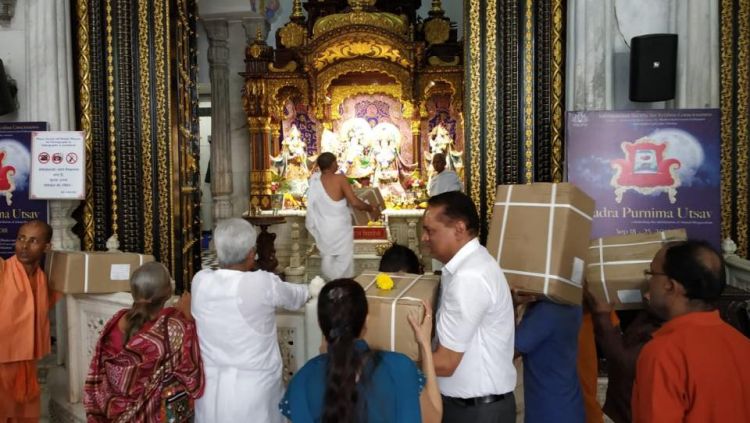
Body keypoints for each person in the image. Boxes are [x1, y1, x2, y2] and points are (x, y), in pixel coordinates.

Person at [191, 218, 309, 423]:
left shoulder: (200, 281)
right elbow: (296, 297)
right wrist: (313, 289)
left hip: (211, 392)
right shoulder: (261, 283)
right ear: (251, 253)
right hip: (254, 394)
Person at [280, 279, 442, 422]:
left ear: (321, 323)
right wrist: (425, 345)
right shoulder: (400, 368)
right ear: (366, 319)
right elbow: (434, 418)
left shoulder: (302, 380)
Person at [421, 191, 516, 422]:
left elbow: (445, 363)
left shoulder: (469, 277)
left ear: (459, 228)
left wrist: (387, 360)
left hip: (477, 412)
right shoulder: (472, 264)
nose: (424, 238)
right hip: (475, 407)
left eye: (430, 231)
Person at [632, 240, 750, 422]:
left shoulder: (663, 353)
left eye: (651, 273)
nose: (649, 281)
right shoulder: (743, 344)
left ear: (670, 286)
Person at [84, 262, 204, 422]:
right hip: (153, 414)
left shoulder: (116, 319)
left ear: (133, 292)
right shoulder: (173, 327)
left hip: (112, 410)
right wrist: (188, 318)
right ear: (168, 292)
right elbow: (190, 373)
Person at [0, 220, 57, 422]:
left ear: (46, 247)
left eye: (33, 241)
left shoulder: (44, 278)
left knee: (26, 412)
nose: (24, 246)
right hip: (2, 360)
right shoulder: (3, 270)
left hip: (27, 361)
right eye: (20, 239)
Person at [582, 283, 661, 423]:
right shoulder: (650, 316)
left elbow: (621, 360)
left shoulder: (664, 335)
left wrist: (602, 316)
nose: (646, 295)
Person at [513, 293, 584, 423]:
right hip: (569, 406)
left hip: (547, 411)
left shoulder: (545, 313)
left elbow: (508, 351)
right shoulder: (574, 305)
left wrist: (511, 304)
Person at [306, 152, 378, 280]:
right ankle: (343, 285)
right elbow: (355, 202)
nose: (338, 164)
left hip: (324, 228)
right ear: (332, 164)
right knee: (343, 259)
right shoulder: (339, 179)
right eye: (336, 162)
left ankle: (330, 284)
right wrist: (370, 208)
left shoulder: (315, 181)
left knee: (328, 256)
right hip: (340, 228)